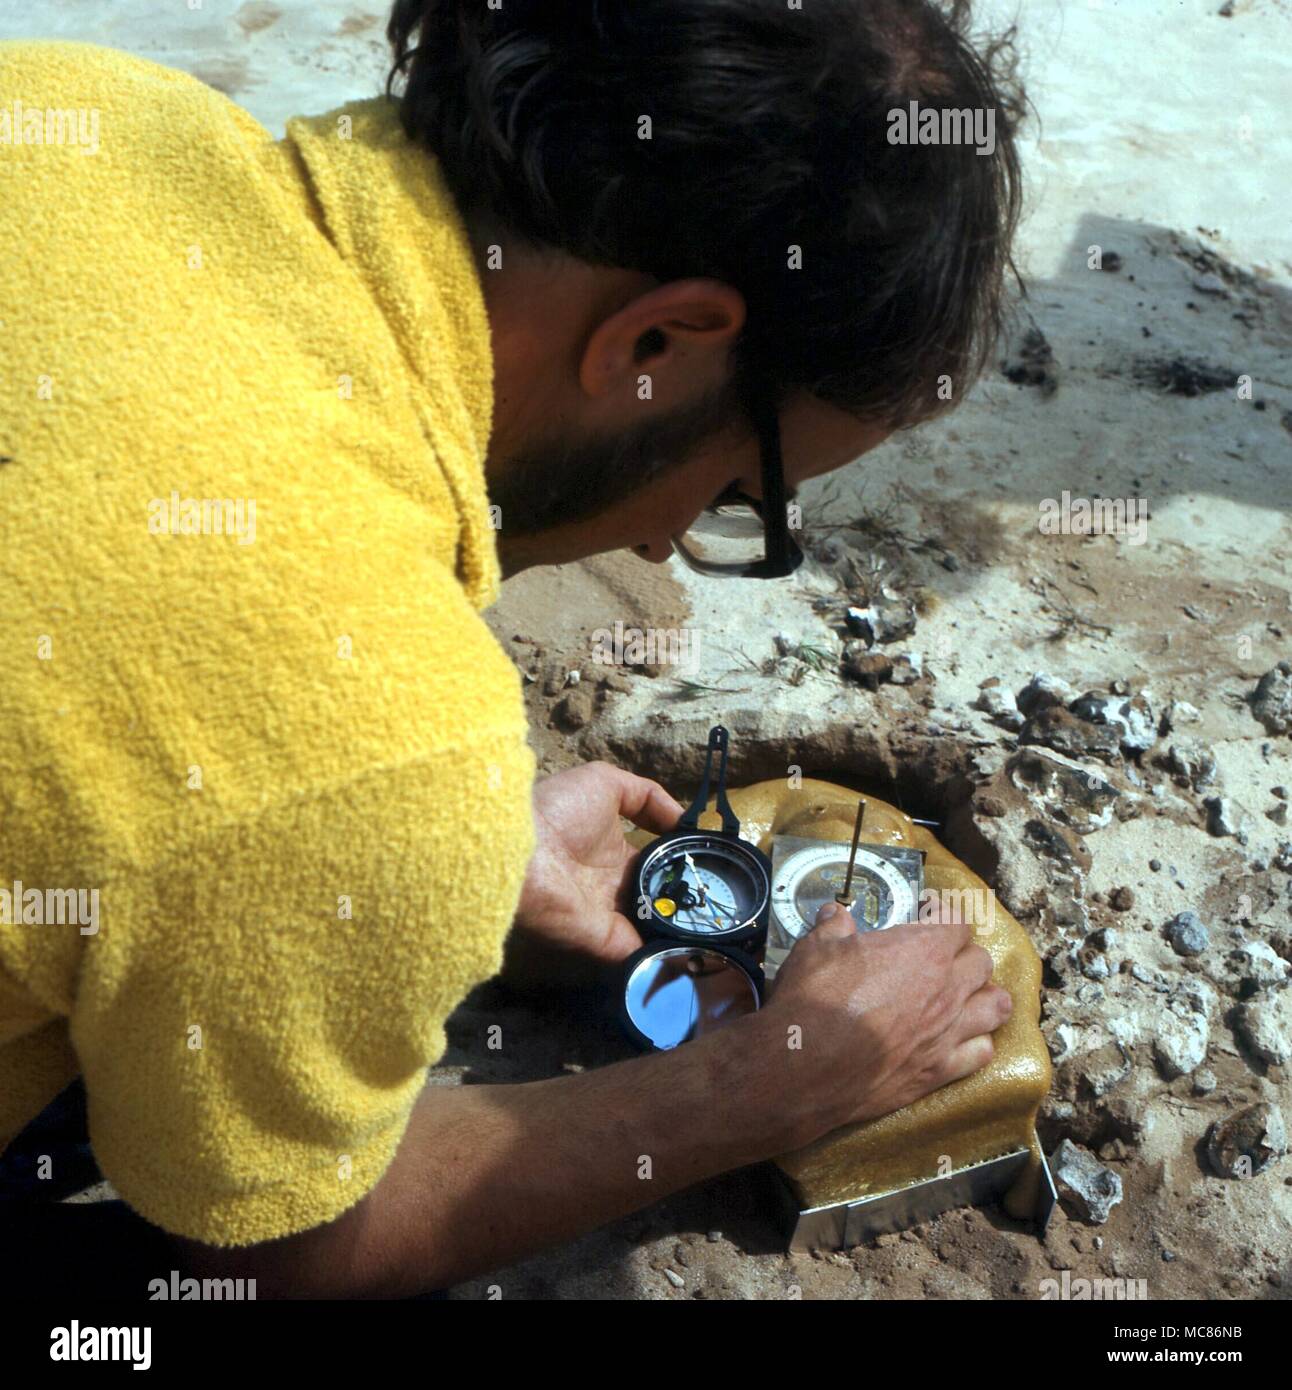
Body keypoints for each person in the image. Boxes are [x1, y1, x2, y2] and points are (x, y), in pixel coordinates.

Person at [0, 0, 1024, 1297]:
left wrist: (380, 874)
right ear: (657, 345)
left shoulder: (86, 106)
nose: (665, 546)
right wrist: (760, 1084)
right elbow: (278, 1250)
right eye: (733, 499)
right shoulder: (369, 720)